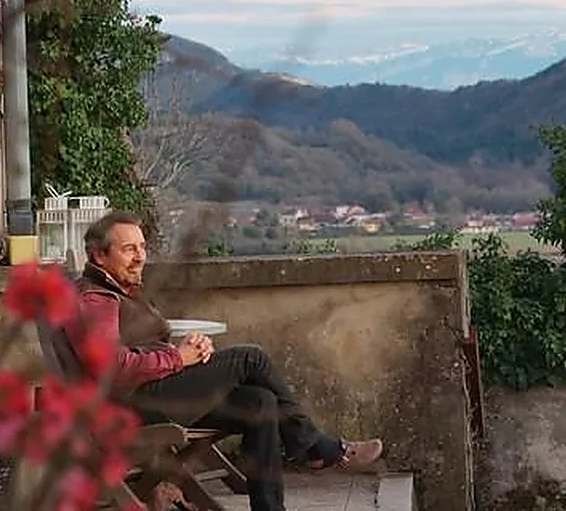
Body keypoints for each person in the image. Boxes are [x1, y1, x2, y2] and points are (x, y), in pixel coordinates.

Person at [64, 211, 383, 511]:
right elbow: (112, 367)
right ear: (99, 255)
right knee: (250, 358)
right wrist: (178, 357)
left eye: (142, 247)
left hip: (152, 395)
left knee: (259, 402)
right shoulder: (97, 299)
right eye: (129, 249)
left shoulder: (118, 290)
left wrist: (188, 352)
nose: (140, 256)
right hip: (132, 409)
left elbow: (137, 350)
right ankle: (317, 448)